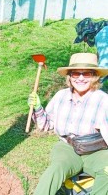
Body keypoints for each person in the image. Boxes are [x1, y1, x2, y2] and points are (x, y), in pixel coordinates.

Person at [27, 53, 108, 195]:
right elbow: (46, 125)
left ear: (94, 76)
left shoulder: (103, 100)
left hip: (96, 151)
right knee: (56, 169)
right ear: (69, 77)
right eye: (76, 74)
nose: (81, 78)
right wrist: (38, 108)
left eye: (86, 74)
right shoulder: (61, 96)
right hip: (67, 147)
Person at [74, 18, 108, 84]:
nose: (85, 41)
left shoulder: (102, 35)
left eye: (84, 38)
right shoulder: (104, 32)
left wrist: (93, 83)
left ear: (89, 33)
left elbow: (105, 64)